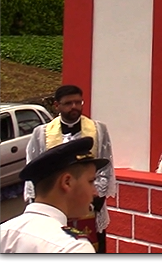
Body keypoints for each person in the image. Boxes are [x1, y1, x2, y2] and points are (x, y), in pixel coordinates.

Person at [24, 85, 116, 253]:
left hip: (89, 203)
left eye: (78, 102)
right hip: (55, 202)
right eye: (68, 103)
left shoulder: (98, 129)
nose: (74, 107)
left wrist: (96, 200)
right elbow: (34, 165)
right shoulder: (42, 133)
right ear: (57, 106)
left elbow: (106, 164)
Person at [1, 137, 108, 253]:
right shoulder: (72, 248)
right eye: (91, 181)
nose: (95, 192)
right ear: (67, 182)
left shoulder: (5, 232)